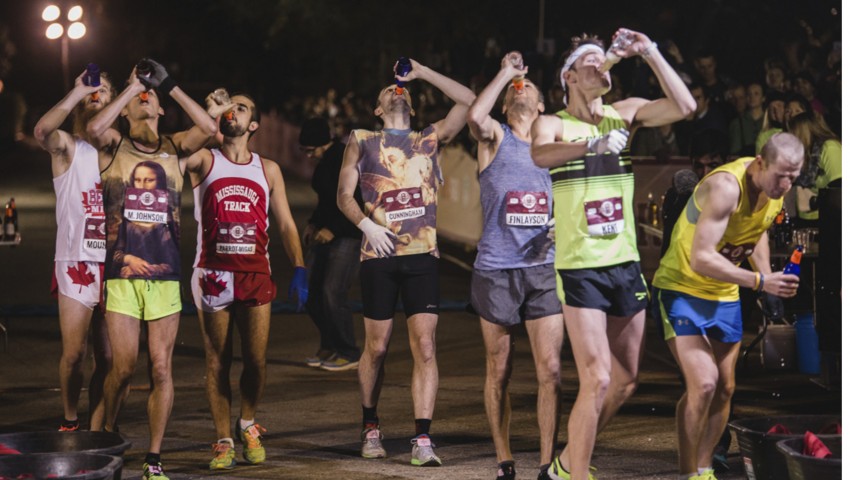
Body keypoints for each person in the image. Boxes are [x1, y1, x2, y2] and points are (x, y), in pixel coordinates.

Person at [530, 29, 695, 480]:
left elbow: (686, 107)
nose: (599, 65)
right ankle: (576, 473)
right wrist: (590, 145)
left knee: (623, 382)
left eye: (603, 59)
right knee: (597, 378)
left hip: (623, 263)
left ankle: (566, 463)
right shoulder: (556, 122)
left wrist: (651, 52)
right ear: (569, 76)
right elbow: (540, 154)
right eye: (589, 60)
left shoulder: (623, 114)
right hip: (581, 266)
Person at [86, 58, 221, 480]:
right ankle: (106, 433)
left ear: (161, 109)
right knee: (122, 368)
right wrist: (129, 87)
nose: (147, 96)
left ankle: (154, 457)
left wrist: (171, 85)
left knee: (160, 368)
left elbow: (211, 130)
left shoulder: (176, 146)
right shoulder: (112, 145)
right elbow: (92, 129)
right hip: (122, 277)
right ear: (125, 110)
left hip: (164, 277)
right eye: (138, 97)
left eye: (153, 95)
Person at [337, 58, 474, 467]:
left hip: (420, 257)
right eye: (388, 91)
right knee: (376, 348)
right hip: (378, 254)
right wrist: (366, 226)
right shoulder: (362, 139)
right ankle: (370, 425)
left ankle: (422, 437)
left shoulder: (428, 139)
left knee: (426, 347)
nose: (395, 91)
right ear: (378, 110)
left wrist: (421, 73)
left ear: (411, 106)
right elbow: (344, 196)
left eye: (402, 92)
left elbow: (468, 101)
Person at [651, 133, 804, 480]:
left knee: (725, 387)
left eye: (794, 177)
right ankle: (688, 473)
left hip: (724, 293)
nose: (786, 184)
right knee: (703, 383)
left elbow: (758, 230)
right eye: (781, 175)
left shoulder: (776, 192)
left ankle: (704, 468)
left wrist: (766, 277)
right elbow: (701, 258)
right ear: (760, 162)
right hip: (682, 288)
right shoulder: (725, 187)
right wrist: (761, 282)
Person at [187, 92, 307, 470]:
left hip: (255, 272)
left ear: (253, 124)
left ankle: (247, 422)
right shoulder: (204, 159)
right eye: (229, 107)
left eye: (240, 107)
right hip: (213, 273)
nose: (232, 111)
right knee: (217, 361)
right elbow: (176, 152)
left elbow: (286, 222)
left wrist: (300, 266)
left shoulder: (266, 168)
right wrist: (209, 113)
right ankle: (223, 439)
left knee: (255, 361)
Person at [466, 53, 564, 480]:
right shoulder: (494, 138)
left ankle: (546, 463)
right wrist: (507, 72)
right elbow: (474, 113)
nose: (521, 89)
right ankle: (504, 458)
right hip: (496, 270)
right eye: (513, 91)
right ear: (507, 106)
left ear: (541, 107)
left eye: (529, 87)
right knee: (499, 370)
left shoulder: (552, 149)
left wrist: (564, 222)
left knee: (551, 371)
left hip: (543, 269)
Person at [33, 69, 115, 432]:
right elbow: (41, 132)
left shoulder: (121, 153)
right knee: (74, 353)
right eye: (92, 91)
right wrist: (77, 89)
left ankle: (98, 429)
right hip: (76, 260)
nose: (97, 94)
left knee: (110, 358)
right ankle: (69, 420)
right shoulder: (68, 146)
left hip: (113, 264)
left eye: (104, 90)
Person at [299, 117, 363, 372]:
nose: (307, 156)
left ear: (321, 144)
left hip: (348, 234)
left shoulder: (341, 158)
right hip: (326, 233)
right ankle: (330, 343)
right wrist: (314, 223)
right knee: (311, 294)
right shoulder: (325, 161)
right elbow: (326, 200)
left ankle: (348, 350)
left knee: (332, 292)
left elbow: (353, 199)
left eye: (309, 150)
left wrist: (333, 229)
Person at [660, 129, 729, 257]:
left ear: (725, 163)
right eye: (699, 166)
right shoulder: (678, 196)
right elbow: (668, 248)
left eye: (712, 165)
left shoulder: (735, 196)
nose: (705, 173)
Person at [786, 110, 842, 223]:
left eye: (793, 133)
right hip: (804, 219)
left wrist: (813, 202)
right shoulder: (803, 153)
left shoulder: (829, 148)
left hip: (829, 219)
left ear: (803, 132)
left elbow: (840, 191)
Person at [728, 83, 765, 157]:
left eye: (756, 94)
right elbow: (734, 153)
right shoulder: (737, 123)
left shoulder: (769, 121)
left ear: (763, 98)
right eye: (749, 94)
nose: (752, 97)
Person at [754, 90, 786, 154]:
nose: (776, 110)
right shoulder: (763, 136)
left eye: (779, 105)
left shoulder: (793, 130)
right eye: (772, 108)